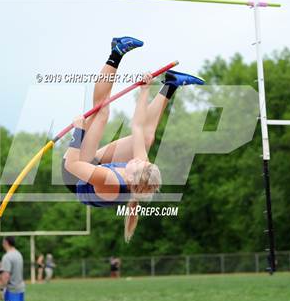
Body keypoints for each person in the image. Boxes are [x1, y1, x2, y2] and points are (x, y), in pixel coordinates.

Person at [62, 36, 204, 242]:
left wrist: (78, 132)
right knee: (146, 139)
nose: (137, 159)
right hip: (95, 170)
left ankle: (116, 52)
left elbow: (74, 164)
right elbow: (137, 127)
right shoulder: (140, 172)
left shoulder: (110, 181)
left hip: (75, 173)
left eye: (137, 164)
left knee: (101, 112)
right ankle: (171, 84)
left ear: (131, 179)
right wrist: (144, 90)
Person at [0, 236, 25, 301]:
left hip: (11, 290)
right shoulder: (19, 254)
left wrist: (2, 290)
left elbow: (6, 276)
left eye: (3, 242)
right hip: (20, 288)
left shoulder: (7, 257)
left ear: (6, 243)